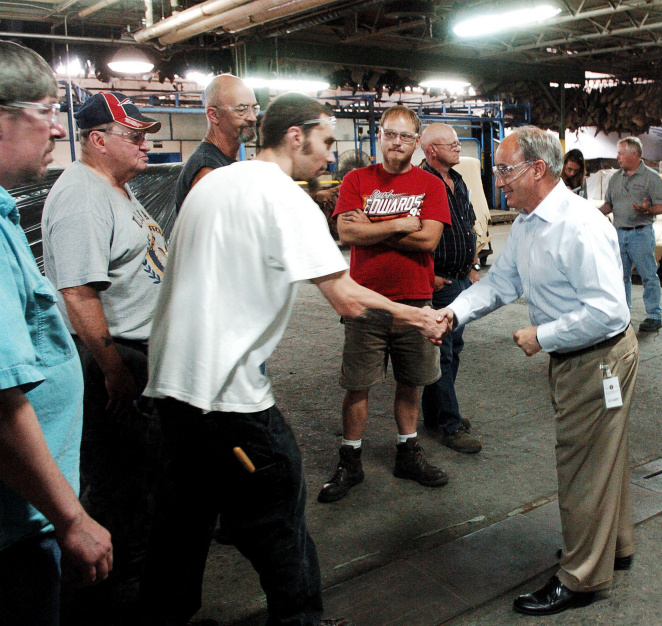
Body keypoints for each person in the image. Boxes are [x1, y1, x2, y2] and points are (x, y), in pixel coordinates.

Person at [140, 92, 446, 626]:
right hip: (227, 397)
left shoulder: (213, 183)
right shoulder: (285, 198)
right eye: (327, 142)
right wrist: (419, 317)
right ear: (295, 135)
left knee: (180, 524)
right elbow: (347, 296)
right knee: (279, 516)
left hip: (170, 389)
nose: (332, 157)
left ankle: (166, 614)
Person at [441, 127, 638, 616]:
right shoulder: (530, 222)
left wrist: (541, 336)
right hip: (580, 356)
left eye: (506, 170)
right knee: (603, 454)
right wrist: (453, 314)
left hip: (596, 357)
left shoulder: (579, 225)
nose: (498, 179)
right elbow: (501, 283)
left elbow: (609, 312)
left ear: (537, 170)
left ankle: (582, 576)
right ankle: (614, 545)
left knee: (581, 466)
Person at [0, 39, 112, 624]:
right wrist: (71, 517)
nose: (54, 131)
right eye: (45, 112)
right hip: (14, 529)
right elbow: (0, 402)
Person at [41, 91, 167, 583]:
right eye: (134, 136)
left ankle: (134, 590)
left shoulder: (113, 184)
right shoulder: (82, 196)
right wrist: (114, 369)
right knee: (123, 488)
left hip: (137, 353)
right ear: (98, 140)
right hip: (114, 358)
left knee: (145, 481)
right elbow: (77, 293)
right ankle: (114, 600)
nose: (144, 146)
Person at [318, 105, 451, 503]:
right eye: (390, 134)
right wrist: (397, 224)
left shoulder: (431, 185)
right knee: (357, 385)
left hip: (417, 299)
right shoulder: (357, 178)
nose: (396, 142)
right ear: (380, 135)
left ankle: (407, 452)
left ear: (416, 141)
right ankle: (350, 460)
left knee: (411, 383)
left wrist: (370, 229)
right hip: (365, 302)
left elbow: (428, 240)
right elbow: (345, 231)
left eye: (405, 136)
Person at [419, 122, 483, 453]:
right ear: (432, 150)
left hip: (459, 279)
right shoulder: (419, 183)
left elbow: (469, 224)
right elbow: (409, 236)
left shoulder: (456, 180)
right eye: (452, 144)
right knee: (441, 353)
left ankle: (435, 413)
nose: (459, 148)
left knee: (454, 349)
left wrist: (473, 267)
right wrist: (424, 277)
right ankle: (449, 423)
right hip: (439, 280)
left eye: (458, 143)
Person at [598, 137, 662, 333]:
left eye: (620, 153)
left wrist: (647, 210)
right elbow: (608, 205)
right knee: (620, 276)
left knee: (648, 276)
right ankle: (623, 315)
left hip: (640, 234)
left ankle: (654, 315)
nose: (617, 157)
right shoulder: (615, 178)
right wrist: (591, 213)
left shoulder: (651, 178)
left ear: (634, 154)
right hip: (618, 234)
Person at [174, 73, 258, 211]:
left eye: (254, 108)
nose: (252, 117)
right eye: (242, 109)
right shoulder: (208, 171)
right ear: (214, 115)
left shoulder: (223, 162)